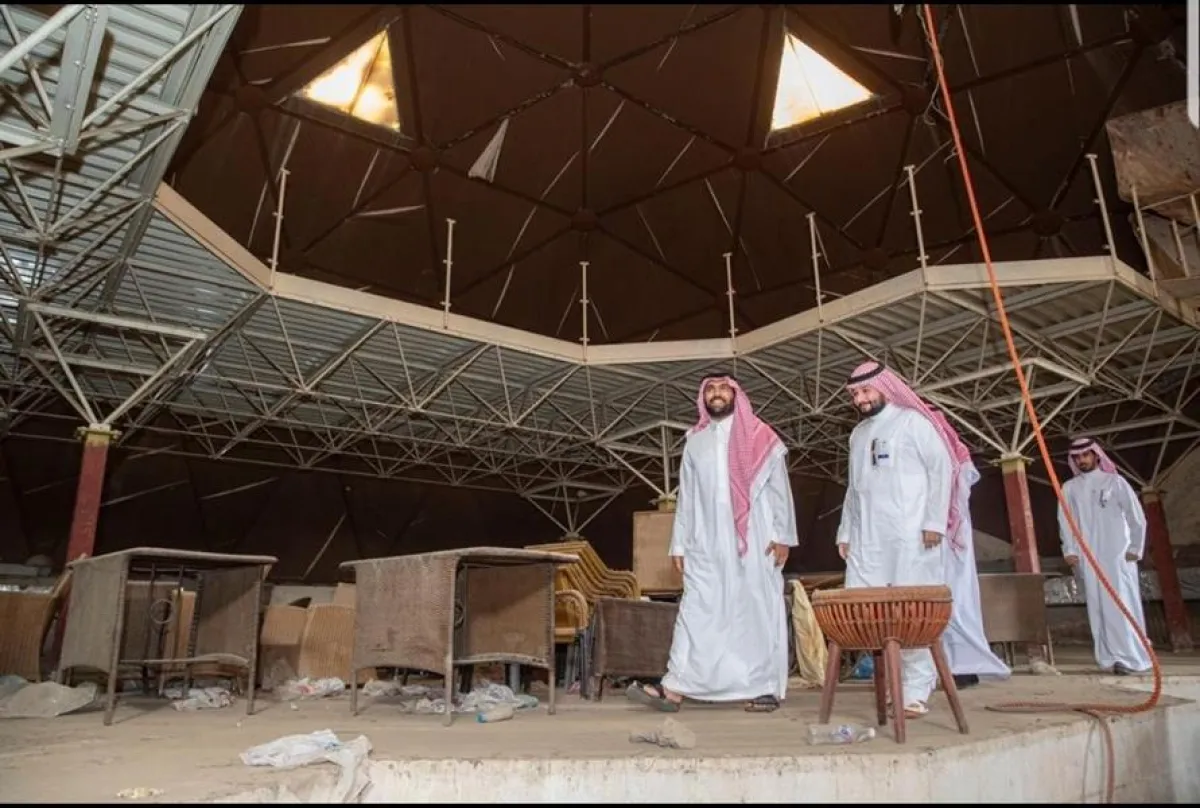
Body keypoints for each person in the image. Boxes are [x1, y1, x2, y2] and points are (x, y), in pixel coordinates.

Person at [835, 360, 1008, 718]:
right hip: (868, 539)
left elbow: (941, 470)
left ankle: (916, 688)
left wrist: (934, 522)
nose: (860, 399)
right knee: (872, 614)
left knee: (912, 613)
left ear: (885, 388)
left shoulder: (914, 423)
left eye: (866, 391)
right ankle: (891, 684)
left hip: (912, 536)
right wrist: (846, 532)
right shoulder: (858, 435)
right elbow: (854, 488)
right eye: (855, 394)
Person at [627, 374, 798, 713]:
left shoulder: (761, 436)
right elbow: (687, 498)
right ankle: (675, 686)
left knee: (755, 611)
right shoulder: (695, 441)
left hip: (756, 540)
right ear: (702, 398)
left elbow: (780, 489)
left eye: (723, 388)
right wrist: (679, 545)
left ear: (736, 394)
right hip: (705, 542)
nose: (716, 394)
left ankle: (763, 687)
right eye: (710, 390)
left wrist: (783, 536)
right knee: (696, 610)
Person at [1059, 437, 1152, 675]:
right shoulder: (1069, 488)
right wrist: (1069, 550)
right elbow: (1066, 521)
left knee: (1121, 603)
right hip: (1087, 555)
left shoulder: (1116, 482)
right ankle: (1108, 658)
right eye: (1077, 457)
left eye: (1085, 455)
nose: (1082, 460)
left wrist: (1135, 548)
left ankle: (1131, 657)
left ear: (1096, 455)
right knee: (1097, 606)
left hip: (1118, 554)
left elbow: (1136, 516)